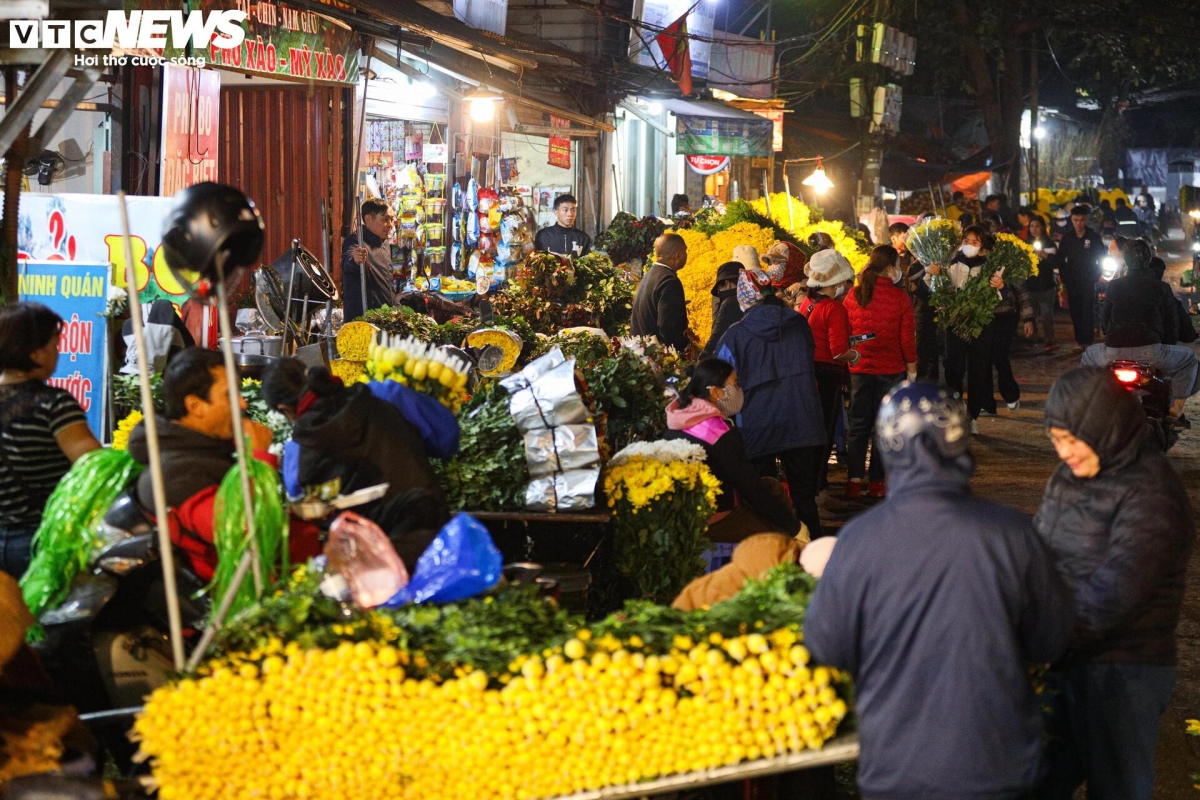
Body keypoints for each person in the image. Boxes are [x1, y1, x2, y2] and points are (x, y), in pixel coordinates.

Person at [804, 382, 1073, 800]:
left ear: (887, 445)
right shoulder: (1012, 534)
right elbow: (1051, 640)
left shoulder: (859, 541)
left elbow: (826, 646)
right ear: (960, 440)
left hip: (897, 769)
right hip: (1000, 766)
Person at [1035, 367, 1194, 800]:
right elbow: (1039, 555)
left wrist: (1039, 640)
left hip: (1125, 673)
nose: (1064, 452)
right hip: (1064, 664)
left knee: (1118, 788)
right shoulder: (1067, 478)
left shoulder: (1153, 493)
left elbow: (1112, 596)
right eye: (1056, 440)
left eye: (1071, 439)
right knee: (1034, 780)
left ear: (1102, 427)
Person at [127, 348, 320, 581]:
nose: (242, 404)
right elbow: (243, 531)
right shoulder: (176, 474)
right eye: (229, 395)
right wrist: (258, 457)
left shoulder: (202, 451)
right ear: (195, 406)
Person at [262, 360, 456, 571]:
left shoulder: (298, 455)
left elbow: (309, 508)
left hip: (370, 564)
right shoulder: (384, 394)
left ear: (284, 410)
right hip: (430, 533)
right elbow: (448, 438)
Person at [715, 260, 826, 538]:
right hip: (803, 420)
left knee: (764, 498)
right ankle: (811, 556)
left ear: (745, 299)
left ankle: (771, 555)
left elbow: (722, 385)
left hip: (757, 424)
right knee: (804, 499)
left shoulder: (735, 335)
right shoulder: (799, 323)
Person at [0, 303, 101, 577]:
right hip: (40, 541)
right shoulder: (54, 405)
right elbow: (93, 465)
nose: (58, 354)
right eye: (55, 346)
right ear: (35, 352)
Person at [664, 358, 804, 543]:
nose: (738, 390)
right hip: (713, 519)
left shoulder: (679, 417)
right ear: (714, 392)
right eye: (734, 384)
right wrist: (795, 528)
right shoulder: (718, 433)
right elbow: (748, 486)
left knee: (772, 487)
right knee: (779, 537)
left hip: (684, 513)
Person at [1083, 239, 1199, 417]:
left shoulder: (1114, 286)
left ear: (1126, 261)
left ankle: (1088, 403)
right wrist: (1166, 344)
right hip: (1151, 352)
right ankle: (1176, 409)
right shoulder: (1162, 288)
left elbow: (1105, 324)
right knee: (1190, 359)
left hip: (1113, 353)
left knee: (1087, 356)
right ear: (1149, 260)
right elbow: (1172, 326)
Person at [842, 245, 916, 499]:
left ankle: (853, 481)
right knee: (884, 427)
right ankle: (876, 483)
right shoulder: (900, 298)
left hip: (859, 369)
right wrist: (912, 369)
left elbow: (847, 333)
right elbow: (907, 338)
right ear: (890, 267)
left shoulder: (853, 295)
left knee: (858, 424)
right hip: (891, 369)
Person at [796, 250, 854, 510]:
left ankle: (814, 487)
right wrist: (856, 353)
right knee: (825, 433)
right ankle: (817, 491)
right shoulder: (834, 308)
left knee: (812, 433)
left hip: (808, 373)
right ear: (836, 282)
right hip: (828, 376)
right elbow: (838, 351)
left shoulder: (806, 303)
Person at [928, 225, 995, 430]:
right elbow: (936, 290)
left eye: (975, 242)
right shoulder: (951, 264)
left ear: (982, 247)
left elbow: (999, 295)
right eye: (966, 241)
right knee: (953, 368)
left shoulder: (990, 267)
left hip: (980, 325)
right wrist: (933, 274)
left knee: (978, 370)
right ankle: (956, 411)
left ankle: (972, 416)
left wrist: (999, 286)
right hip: (955, 323)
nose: (969, 246)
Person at [989, 251, 1035, 412]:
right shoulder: (978, 266)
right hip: (984, 318)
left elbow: (1023, 294)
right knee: (983, 360)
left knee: (1000, 357)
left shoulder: (1010, 266)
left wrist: (1028, 319)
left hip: (1005, 317)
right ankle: (986, 402)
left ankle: (1010, 395)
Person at [891, 222, 937, 381]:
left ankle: (928, 381)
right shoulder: (913, 265)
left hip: (930, 310)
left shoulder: (934, 262)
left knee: (931, 349)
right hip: (917, 310)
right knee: (920, 348)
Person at [631, 233, 691, 352]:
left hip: (642, 350)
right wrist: (684, 349)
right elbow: (668, 327)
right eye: (685, 250)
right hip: (656, 356)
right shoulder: (669, 281)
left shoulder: (651, 274)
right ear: (678, 255)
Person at [1055, 205, 1103, 352]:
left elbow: (1101, 256)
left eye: (1082, 220)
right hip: (1072, 281)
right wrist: (1064, 276)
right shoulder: (1068, 238)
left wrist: (1096, 274)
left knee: (1087, 310)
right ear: (1072, 220)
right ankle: (1079, 339)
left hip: (1088, 280)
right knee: (1075, 311)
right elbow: (1061, 259)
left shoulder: (1093, 237)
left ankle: (1087, 340)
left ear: (1086, 220)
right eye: (1076, 220)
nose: (1079, 223)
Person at [342, 197, 397, 321]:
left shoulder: (385, 244)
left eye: (392, 220)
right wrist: (355, 260)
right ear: (368, 219)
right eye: (385, 220)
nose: (390, 225)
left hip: (385, 318)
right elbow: (348, 263)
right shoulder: (355, 241)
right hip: (364, 321)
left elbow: (388, 283)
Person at [1022, 214, 1060, 352]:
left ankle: (1049, 340)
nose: (1034, 229)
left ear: (1043, 227)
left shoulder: (1049, 243)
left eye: (1037, 226)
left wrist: (1043, 254)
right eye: (1031, 226)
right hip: (1031, 285)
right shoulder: (1025, 244)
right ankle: (1032, 339)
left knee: (1046, 315)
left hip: (1046, 285)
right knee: (1031, 314)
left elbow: (1055, 263)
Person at [1150, 256, 1197, 345]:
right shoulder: (1163, 290)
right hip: (1155, 349)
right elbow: (1186, 333)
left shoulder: (1119, 287)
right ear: (1161, 274)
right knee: (1191, 357)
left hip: (1119, 348)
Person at [703, 261, 743, 356]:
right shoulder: (749, 299)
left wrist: (702, 357)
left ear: (727, 283)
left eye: (719, 288)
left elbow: (717, 335)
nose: (719, 292)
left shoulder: (730, 302)